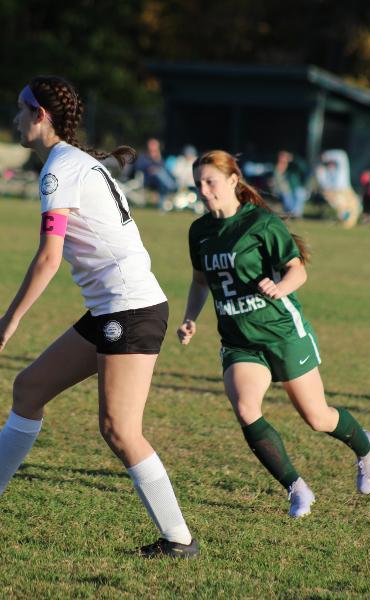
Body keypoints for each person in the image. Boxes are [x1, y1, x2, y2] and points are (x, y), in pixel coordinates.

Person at [0, 76, 199, 558]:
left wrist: (10, 320)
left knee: (119, 429)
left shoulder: (59, 170)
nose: (15, 117)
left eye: (21, 109)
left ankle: (179, 540)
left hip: (128, 308)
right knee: (28, 389)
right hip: (116, 307)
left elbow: (49, 257)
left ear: (40, 115)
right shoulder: (73, 162)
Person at [177, 150, 370, 518]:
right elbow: (200, 282)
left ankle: (365, 445)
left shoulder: (261, 223)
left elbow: (297, 270)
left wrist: (280, 287)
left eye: (210, 182)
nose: (203, 190)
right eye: (198, 184)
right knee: (246, 409)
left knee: (317, 417)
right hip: (239, 341)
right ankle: (297, 489)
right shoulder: (199, 231)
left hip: (282, 332)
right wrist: (190, 318)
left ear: (233, 181)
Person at [315, 150, 361, 228]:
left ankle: (347, 223)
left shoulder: (341, 169)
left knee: (355, 208)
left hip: (346, 191)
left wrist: (326, 156)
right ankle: (343, 222)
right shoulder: (324, 171)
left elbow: (342, 155)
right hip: (333, 193)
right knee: (341, 209)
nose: (331, 165)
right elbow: (324, 184)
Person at [132, 138, 177, 211]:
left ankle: (162, 205)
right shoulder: (143, 156)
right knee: (159, 174)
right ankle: (172, 186)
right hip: (147, 178)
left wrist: (157, 159)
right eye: (152, 145)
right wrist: (149, 168)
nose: (153, 147)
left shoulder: (158, 157)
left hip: (159, 179)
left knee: (161, 175)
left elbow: (163, 167)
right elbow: (138, 166)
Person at [273, 150, 308, 218]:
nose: (282, 159)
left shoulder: (293, 167)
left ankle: (296, 214)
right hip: (283, 191)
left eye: (284, 157)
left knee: (300, 194)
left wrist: (294, 159)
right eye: (281, 157)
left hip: (292, 190)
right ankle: (294, 214)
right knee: (289, 201)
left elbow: (304, 167)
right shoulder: (276, 169)